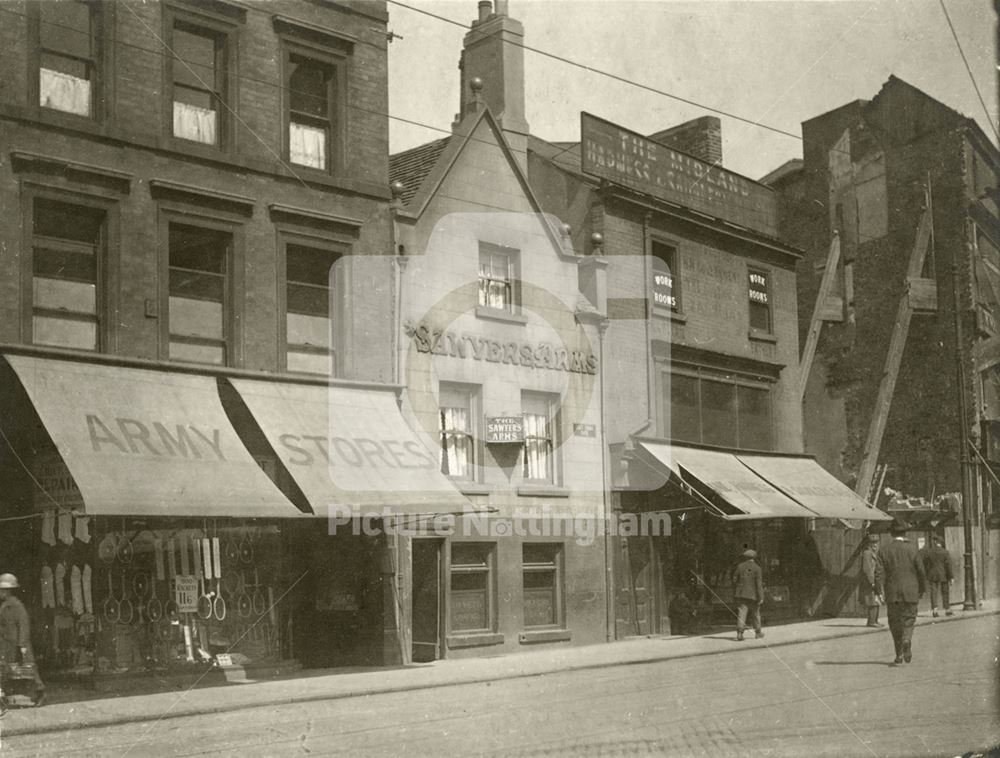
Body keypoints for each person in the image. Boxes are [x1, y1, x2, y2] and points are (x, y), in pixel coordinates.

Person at [878, 522, 926, 664]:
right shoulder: (913, 549)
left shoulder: (884, 550)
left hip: (892, 594)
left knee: (894, 623)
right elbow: (921, 572)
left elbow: (879, 573)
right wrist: (922, 589)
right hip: (911, 592)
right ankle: (907, 639)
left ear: (891, 534)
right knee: (909, 619)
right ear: (905, 533)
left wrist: (878, 591)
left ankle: (898, 655)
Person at [0, 573, 45, 706]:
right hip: (7, 642)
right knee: (6, 669)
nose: (1, 592)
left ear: (8, 590)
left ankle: (41, 692)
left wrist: (22, 645)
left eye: (3, 590)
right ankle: (4, 696)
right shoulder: (5, 605)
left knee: (29, 668)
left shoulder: (16, 605)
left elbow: (24, 624)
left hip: (18, 642)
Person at [732, 549, 764, 641]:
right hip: (753, 595)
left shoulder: (740, 566)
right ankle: (758, 633)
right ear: (754, 557)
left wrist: (738, 588)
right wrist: (761, 597)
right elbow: (759, 584)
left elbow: (734, 579)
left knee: (742, 613)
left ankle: (739, 634)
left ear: (745, 557)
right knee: (756, 613)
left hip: (741, 594)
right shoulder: (757, 568)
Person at [921, 536, 954, 617]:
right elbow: (948, 565)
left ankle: (935, 610)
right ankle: (947, 609)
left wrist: (928, 571)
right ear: (941, 543)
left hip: (932, 574)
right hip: (944, 574)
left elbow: (925, 563)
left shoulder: (929, 552)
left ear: (935, 542)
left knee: (934, 592)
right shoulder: (945, 552)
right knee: (945, 592)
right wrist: (951, 577)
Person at [860, 533, 884, 627]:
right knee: (872, 601)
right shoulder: (867, 553)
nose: (875, 545)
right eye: (872, 543)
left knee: (876, 600)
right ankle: (871, 621)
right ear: (868, 544)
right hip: (870, 581)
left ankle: (875, 620)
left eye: (876, 543)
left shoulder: (874, 553)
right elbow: (867, 569)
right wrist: (872, 581)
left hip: (876, 580)